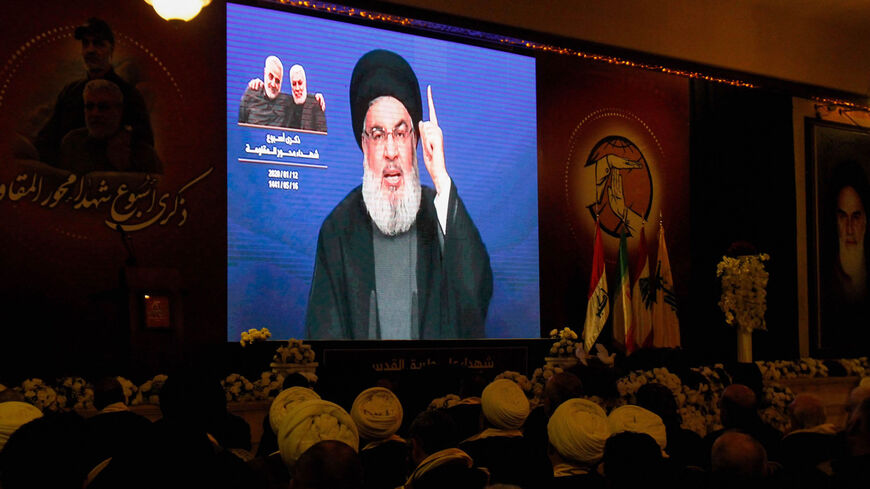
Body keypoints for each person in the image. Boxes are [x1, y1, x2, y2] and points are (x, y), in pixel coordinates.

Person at [305, 49, 492, 340]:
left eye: (401, 133)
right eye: (378, 135)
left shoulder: (438, 212)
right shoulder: (337, 230)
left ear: (415, 141)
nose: (391, 151)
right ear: (364, 146)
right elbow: (323, 337)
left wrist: (442, 179)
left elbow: (476, 292)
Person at [35, 17, 153, 167]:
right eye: (86, 44)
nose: (90, 50)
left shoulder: (129, 95)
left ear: (111, 49)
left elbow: (146, 145)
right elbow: (46, 140)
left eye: (98, 43)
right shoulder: (70, 93)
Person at [58, 79, 161, 174]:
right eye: (89, 106)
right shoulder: (73, 143)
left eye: (103, 107)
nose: (95, 113)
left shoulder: (143, 154)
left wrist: (124, 167)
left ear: (119, 110)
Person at [823, 162, 870, 352]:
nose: (849, 229)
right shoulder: (825, 276)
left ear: (866, 220)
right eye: (843, 217)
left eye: (856, 216)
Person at [238, 56, 293, 126]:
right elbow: (240, 126)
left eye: (277, 81)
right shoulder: (251, 94)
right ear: (265, 73)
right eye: (271, 77)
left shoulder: (287, 103)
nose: (273, 84)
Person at [285, 64, 327, 132]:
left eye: (300, 83)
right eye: (294, 84)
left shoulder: (315, 103)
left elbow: (322, 134)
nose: (297, 88)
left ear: (305, 84)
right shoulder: (286, 104)